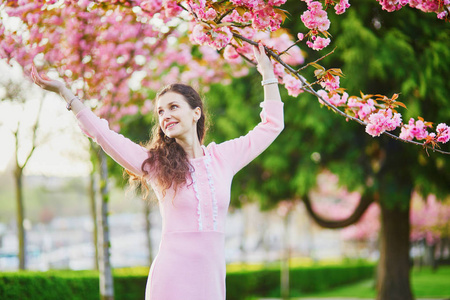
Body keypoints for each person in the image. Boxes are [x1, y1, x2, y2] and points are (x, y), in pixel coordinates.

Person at [31, 43, 284, 300]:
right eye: (160, 111)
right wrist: (66, 93)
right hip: (171, 279)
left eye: (173, 107)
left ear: (196, 112)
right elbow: (103, 136)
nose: (165, 116)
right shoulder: (156, 165)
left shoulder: (223, 158)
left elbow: (272, 125)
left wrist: (267, 73)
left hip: (211, 280)